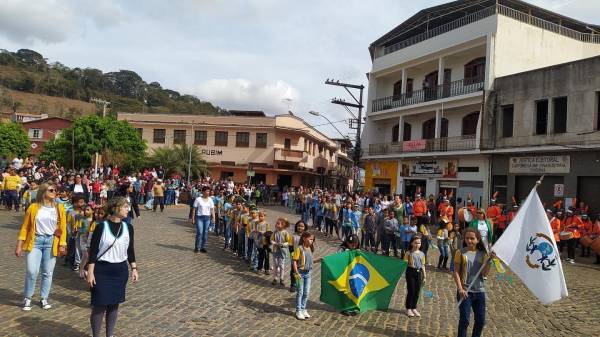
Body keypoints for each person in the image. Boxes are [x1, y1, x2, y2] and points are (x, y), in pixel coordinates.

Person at [87, 197, 138, 337]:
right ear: (115, 208)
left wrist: (134, 268)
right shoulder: (101, 227)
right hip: (101, 271)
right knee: (99, 306)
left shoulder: (129, 228)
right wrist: (90, 272)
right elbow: (93, 251)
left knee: (114, 305)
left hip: (120, 271)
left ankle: (110, 335)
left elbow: (130, 250)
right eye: (125, 207)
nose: (128, 209)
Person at [15, 183, 67, 311]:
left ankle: (44, 297)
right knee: (32, 271)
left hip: (51, 242)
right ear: (43, 192)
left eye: (55, 190)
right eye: (51, 190)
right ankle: (28, 297)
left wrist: (62, 244)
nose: (54, 192)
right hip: (35, 241)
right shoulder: (33, 207)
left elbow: (63, 228)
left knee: (47, 272)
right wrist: (19, 245)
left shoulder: (59, 208)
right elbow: (25, 227)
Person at [453, 228, 492, 337]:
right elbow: (456, 271)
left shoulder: (483, 254)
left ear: (478, 239)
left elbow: (484, 274)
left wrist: (488, 262)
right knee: (464, 320)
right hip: (464, 292)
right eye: (467, 238)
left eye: (472, 238)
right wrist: (460, 288)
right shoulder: (460, 252)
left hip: (479, 291)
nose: (469, 241)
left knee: (480, 321)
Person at [292, 232, 322, 320]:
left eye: (313, 239)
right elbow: (294, 260)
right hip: (300, 273)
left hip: (308, 273)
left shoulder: (310, 249)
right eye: (310, 239)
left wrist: (318, 260)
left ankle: (303, 308)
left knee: (306, 292)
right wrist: (296, 272)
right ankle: (298, 310)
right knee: (300, 292)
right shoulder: (299, 249)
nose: (311, 241)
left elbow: (310, 261)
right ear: (304, 238)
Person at [404, 234, 426, 318]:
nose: (417, 245)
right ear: (412, 243)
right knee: (411, 290)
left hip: (418, 273)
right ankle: (408, 308)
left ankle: (414, 307)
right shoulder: (408, 253)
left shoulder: (422, 254)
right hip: (410, 272)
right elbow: (404, 263)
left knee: (417, 291)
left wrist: (424, 276)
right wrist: (408, 263)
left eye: (419, 243)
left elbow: (423, 265)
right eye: (416, 243)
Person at [191, 186, 215, 254]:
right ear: (203, 192)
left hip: (207, 218)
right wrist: (193, 218)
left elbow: (212, 209)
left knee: (205, 233)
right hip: (199, 217)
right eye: (207, 191)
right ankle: (197, 247)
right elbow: (194, 209)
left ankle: (203, 247)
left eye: (209, 191)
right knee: (200, 232)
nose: (208, 192)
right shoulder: (198, 199)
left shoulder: (210, 199)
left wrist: (213, 218)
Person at [271, 218, 291, 286]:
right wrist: (274, 243)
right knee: (275, 265)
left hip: (282, 251)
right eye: (276, 223)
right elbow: (271, 239)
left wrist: (283, 244)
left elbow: (288, 241)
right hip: (276, 250)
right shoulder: (275, 232)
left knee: (281, 265)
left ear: (283, 225)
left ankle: (281, 278)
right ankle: (275, 278)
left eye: (278, 223)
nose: (276, 224)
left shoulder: (285, 233)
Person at [289, 220, 306, 292]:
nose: (300, 227)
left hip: (303, 257)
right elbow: (290, 246)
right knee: (294, 270)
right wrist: (293, 254)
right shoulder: (293, 236)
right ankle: (293, 284)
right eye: (299, 226)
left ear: (305, 227)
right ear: (296, 227)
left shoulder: (306, 236)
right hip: (294, 257)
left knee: (302, 271)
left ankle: (300, 284)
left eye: (302, 226)